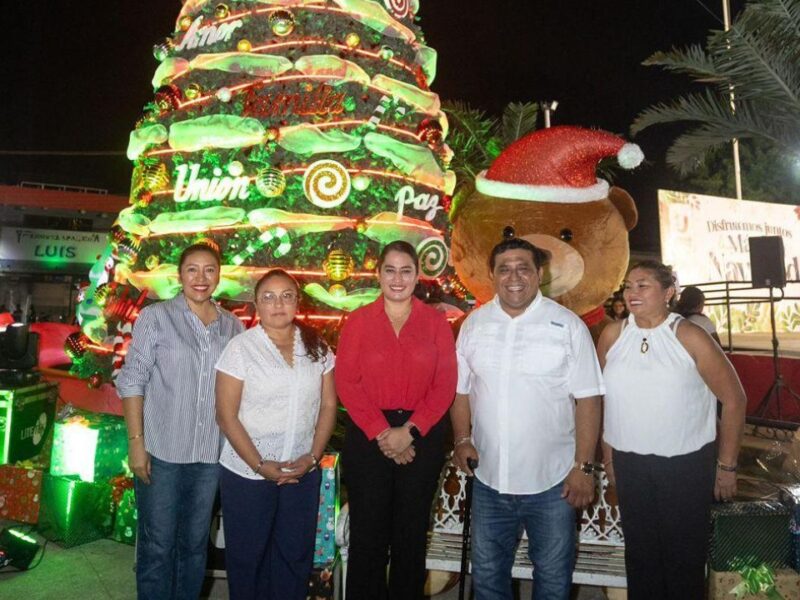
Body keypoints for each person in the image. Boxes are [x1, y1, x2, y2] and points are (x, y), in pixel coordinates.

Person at [452, 237, 604, 600]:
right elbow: (460, 390)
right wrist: (462, 439)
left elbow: (589, 399)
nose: (514, 276)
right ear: (492, 275)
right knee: (488, 580)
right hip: (489, 480)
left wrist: (583, 467)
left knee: (552, 582)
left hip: (553, 484)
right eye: (504, 269)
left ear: (539, 273)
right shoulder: (474, 325)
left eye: (523, 267)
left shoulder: (567, 326)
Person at [598, 261, 746, 600]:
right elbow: (606, 401)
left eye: (642, 285)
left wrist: (726, 467)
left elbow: (735, 399)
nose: (632, 293)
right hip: (630, 462)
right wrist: (609, 460)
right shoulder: (613, 335)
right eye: (628, 286)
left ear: (668, 293)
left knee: (683, 559)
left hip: (684, 466)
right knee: (640, 555)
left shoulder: (690, 335)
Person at [116, 243, 244, 600]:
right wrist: (136, 442)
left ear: (219, 276)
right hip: (162, 451)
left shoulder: (232, 326)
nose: (201, 278)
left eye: (209, 270)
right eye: (192, 269)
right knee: (157, 546)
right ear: (180, 275)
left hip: (208, 456)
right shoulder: (156, 317)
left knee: (192, 548)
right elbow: (132, 379)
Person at [335, 240, 457, 599]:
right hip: (368, 434)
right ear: (378, 274)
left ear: (418, 276)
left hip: (422, 434)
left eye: (406, 270)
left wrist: (411, 432)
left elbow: (445, 384)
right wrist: (383, 434)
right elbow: (347, 383)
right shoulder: (358, 321)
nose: (398, 278)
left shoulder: (435, 322)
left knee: (410, 534)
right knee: (367, 536)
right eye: (390, 270)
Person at [214, 269, 337, 600]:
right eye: (268, 296)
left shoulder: (317, 346)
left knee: (294, 557)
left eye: (286, 296)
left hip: (302, 471)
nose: (278, 304)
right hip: (247, 472)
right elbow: (226, 416)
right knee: (247, 558)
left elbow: (328, 405)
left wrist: (312, 457)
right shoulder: (240, 349)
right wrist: (259, 465)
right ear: (256, 303)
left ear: (298, 301)